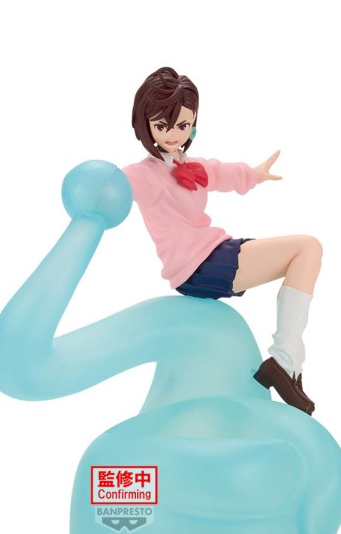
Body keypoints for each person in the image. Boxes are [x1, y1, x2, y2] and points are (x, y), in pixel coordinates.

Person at [122, 67, 323, 415]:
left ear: (193, 123)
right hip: (197, 267)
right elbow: (116, 185)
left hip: (214, 252)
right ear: (146, 124)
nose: (173, 134)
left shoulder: (190, 165)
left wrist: (255, 174)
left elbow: (222, 173)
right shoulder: (143, 174)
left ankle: (287, 362)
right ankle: (284, 362)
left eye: (183, 125)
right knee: (306, 248)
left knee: (307, 250)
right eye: (163, 126)